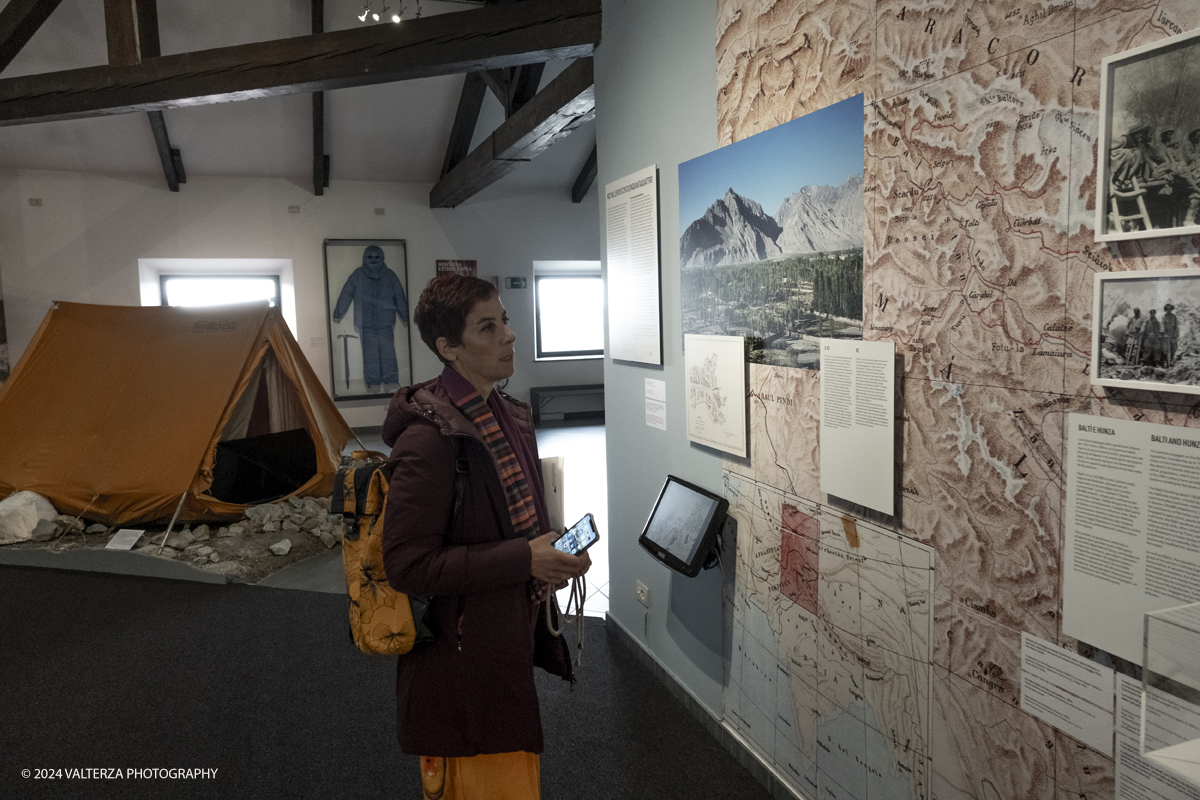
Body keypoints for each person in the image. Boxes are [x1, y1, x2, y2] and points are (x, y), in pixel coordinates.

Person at [381, 274, 590, 800]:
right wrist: (524, 559)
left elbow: (517, 520)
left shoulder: (507, 414)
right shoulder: (428, 440)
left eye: (506, 321)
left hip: (503, 635)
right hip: (460, 659)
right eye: (488, 327)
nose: (509, 336)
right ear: (447, 348)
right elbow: (406, 565)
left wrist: (551, 550)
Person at [332, 245, 409, 392]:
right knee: (370, 356)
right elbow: (346, 294)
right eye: (370, 257)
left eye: (377, 257)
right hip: (366, 324)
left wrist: (404, 315)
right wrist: (338, 313)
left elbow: (400, 296)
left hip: (386, 323)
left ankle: (391, 383)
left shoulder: (390, 275)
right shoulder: (357, 275)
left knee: (388, 354)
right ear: (364, 258)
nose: (373, 260)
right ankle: (373, 386)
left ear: (382, 258)